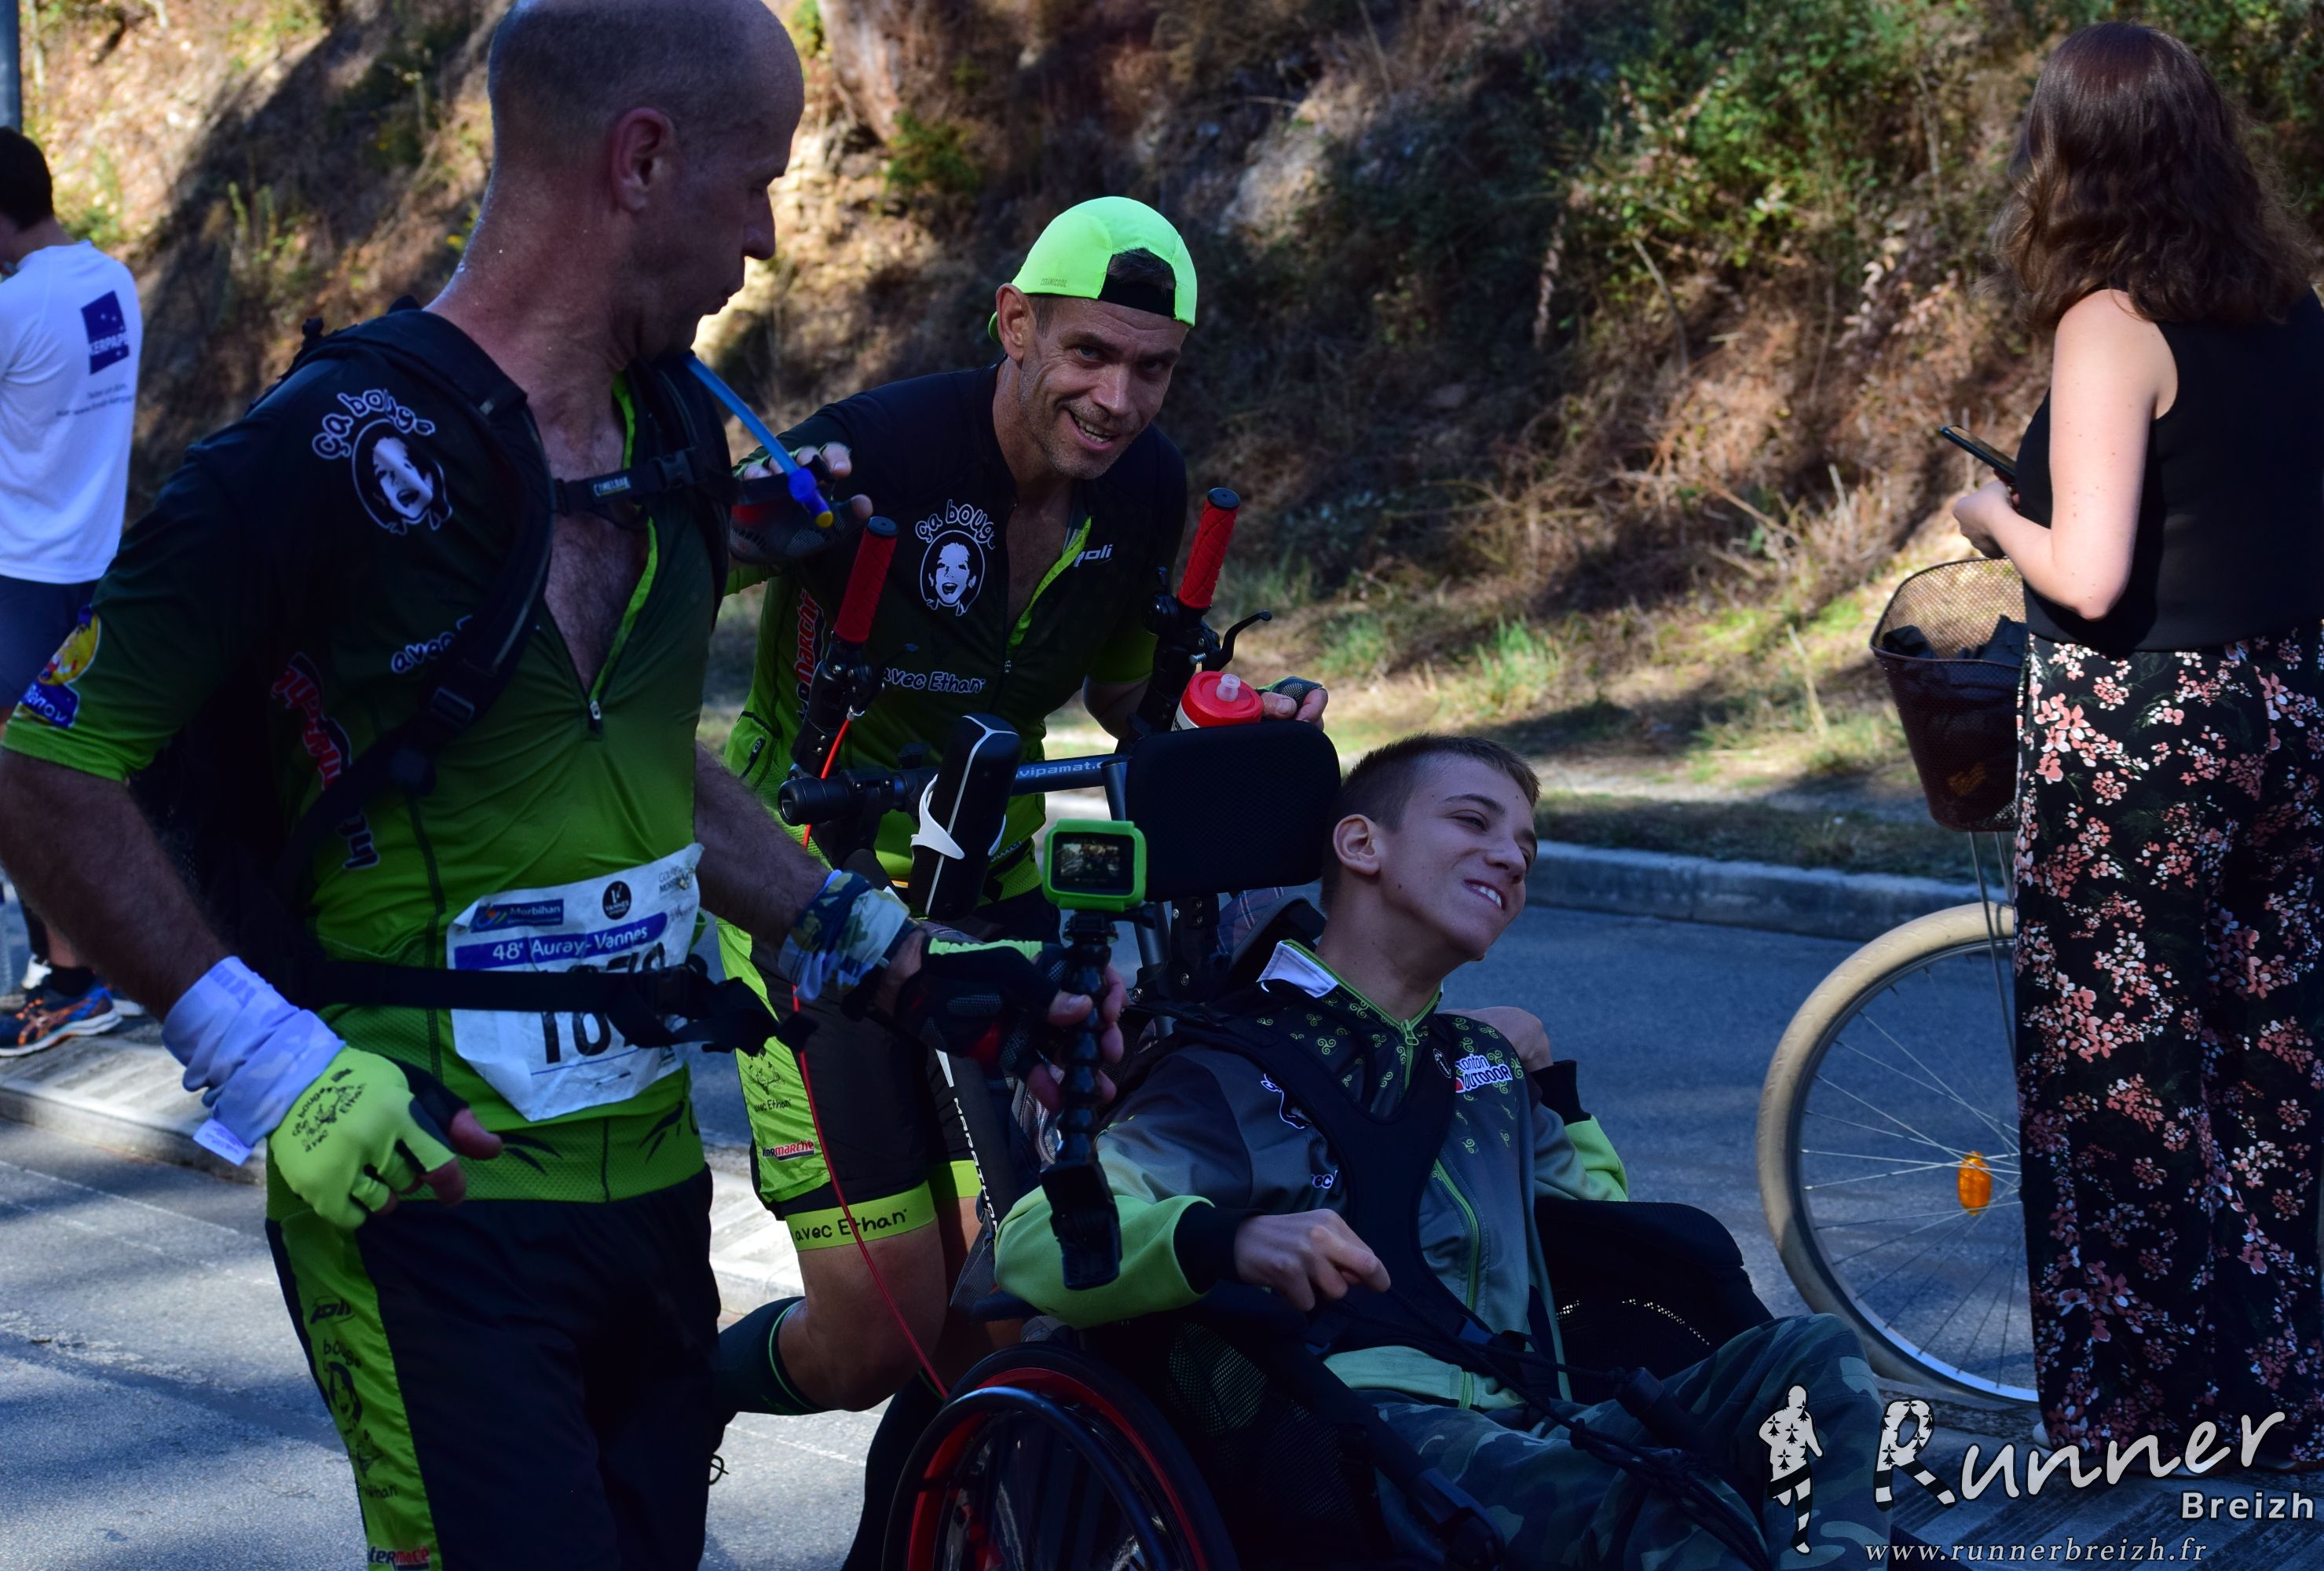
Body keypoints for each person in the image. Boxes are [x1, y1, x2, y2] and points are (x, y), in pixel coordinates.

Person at [0, 3, 1114, 1566]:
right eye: (754, 183)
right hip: (423, 1193)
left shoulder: (675, 434)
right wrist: (263, 1060)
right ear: (641, 161)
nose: (765, 237)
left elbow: (646, 762)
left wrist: (874, 946)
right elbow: (43, 759)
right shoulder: (327, 447)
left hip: (647, 1195)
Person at [709, 196, 1329, 1551]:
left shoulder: (1145, 487)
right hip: (813, 895)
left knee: (1015, 1293)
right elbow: (666, 571)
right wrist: (747, 520)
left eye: (1152, 369)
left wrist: (1239, 716)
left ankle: (942, 1530)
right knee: (878, 1339)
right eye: (1088, 354)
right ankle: (679, 1388)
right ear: (1015, 324)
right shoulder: (884, 448)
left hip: (995, 888)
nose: (1117, 399)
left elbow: (1130, 701)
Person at [997, 734, 1891, 1566]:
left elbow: (1603, 1227)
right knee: (1682, 1507)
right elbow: (1037, 1241)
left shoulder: (1480, 1062)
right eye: (1473, 822)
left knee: (1810, 1357)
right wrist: (1231, 1239)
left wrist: (1551, 1091)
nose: (1511, 857)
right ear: (1361, 844)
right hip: (1363, 1440)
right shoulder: (1224, 1071)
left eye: (1526, 847)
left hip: (1537, 1411)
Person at [1952, 21, 2324, 1471]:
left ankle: (2143, 1420)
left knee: (2115, 1074)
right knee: (2263, 1056)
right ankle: (2270, 1401)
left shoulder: (2108, 324)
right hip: (2286, 702)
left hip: (2142, 733)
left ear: (2069, 156)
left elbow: (2091, 573)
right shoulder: (2289, 305)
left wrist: (1992, 517)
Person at [0, 126, 141, 1052]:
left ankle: (71, 981)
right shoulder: (111, 281)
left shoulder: (16, 306)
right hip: (92, 567)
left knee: (20, 789)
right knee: (78, 774)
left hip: (19, 576)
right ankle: (102, 965)